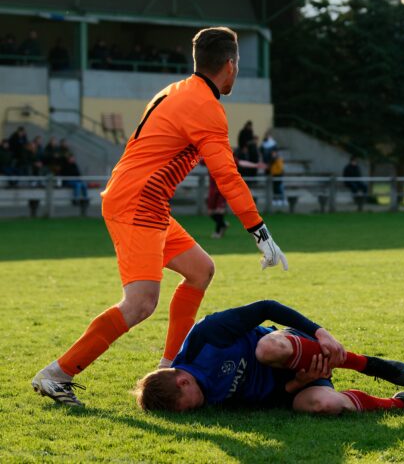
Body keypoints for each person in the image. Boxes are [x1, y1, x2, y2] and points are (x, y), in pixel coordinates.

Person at [32, 27, 289, 407]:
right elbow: (227, 176)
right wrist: (260, 231)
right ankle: (57, 374)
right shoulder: (205, 107)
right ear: (231, 65)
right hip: (138, 202)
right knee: (140, 303)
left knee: (200, 270)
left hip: (142, 200)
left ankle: (170, 365)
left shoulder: (178, 90)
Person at [134, 300, 404, 414]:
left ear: (182, 378)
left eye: (191, 402)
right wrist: (297, 385)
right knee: (324, 406)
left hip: (290, 348)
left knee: (267, 349)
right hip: (293, 383)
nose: (199, 407)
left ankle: (366, 364)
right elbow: (263, 401)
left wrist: (320, 332)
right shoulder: (205, 399)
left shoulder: (205, 338)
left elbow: (266, 307)